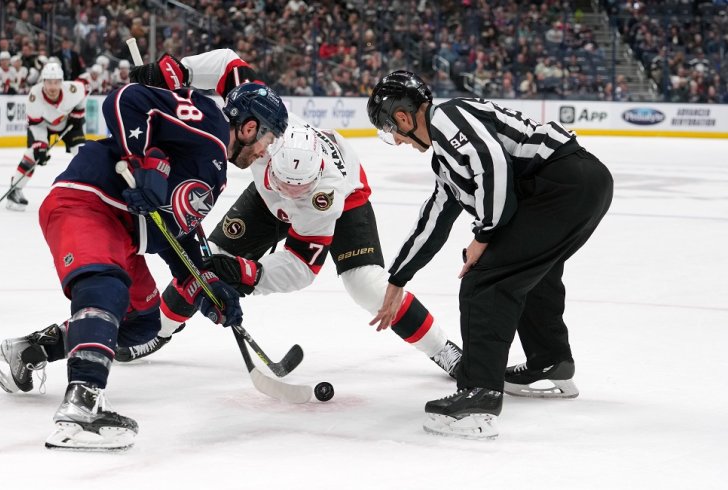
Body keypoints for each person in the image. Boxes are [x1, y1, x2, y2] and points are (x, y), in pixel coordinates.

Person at [0, 55, 290, 451]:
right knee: (106, 286)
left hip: (122, 229)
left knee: (141, 321)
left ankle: (28, 351)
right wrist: (141, 162)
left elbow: (180, 231)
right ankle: (82, 405)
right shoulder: (210, 123)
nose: (266, 151)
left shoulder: (215, 170)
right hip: (88, 201)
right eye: (268, 139)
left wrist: (209, 285)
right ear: (249, 127)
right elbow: (125, 99)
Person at [366, 70, 613, 439]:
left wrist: (485, 233)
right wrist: (398, 278)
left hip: (563, 182)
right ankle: (551, 362)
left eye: (393, 131)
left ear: (403, 116)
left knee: (486, 279)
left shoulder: (446, 117)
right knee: (530, 271)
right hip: (580, 184)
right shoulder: (445, 158)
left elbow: (491, 163)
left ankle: (479, 396)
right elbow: (432, 224)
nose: (398, 140)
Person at [118, 120, 463, 379]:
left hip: (342, 203)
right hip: (267, 201)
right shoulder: (264, 134)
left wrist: (245, 274)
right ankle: (156, 330)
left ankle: (441, 348)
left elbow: (301, 267)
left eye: (299, 188)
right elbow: (228, 67)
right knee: (206, 261)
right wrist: (179, 71)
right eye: (285, 184)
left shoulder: (323, 196)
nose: (291, 194)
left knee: (365, 284)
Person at [5, 62, 87, 211]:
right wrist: (41, 147)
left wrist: (78, 115)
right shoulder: (34, 97)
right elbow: (36, 125)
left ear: (62, 82)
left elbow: (85, 91)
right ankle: (14, 189)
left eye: (56, 83)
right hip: (43, 126)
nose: (52, 87)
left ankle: (87, 193)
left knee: (83, 153)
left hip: (68, 123)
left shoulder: (73, 89)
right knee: (33, 155)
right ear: (43, 82)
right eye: (49, 82)